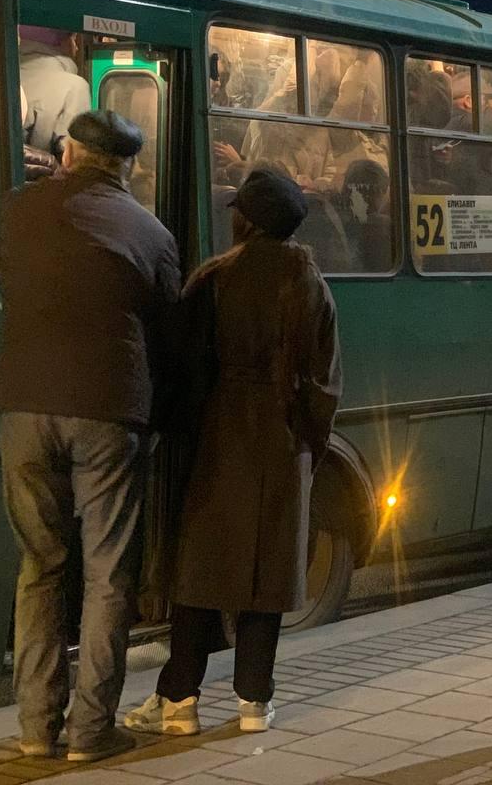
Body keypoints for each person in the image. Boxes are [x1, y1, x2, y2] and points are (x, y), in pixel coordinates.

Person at [0, 110, 181, 761]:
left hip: (23, 406)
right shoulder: (151, 233)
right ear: (127, 166)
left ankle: (35, 730)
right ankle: (91, 730)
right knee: (107, 574)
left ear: (68, 152)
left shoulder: (16, 211)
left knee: (40, 566)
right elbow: (167, 335)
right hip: (108, 410)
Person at [126, 169, 342, 738]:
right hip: (284, 436)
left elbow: (181, 368)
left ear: (246, 220)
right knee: (267, 570)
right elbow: (324, 384)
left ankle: (179, 700)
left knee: (201, 570)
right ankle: (254, 701)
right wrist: (307, 449)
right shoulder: (311, 283)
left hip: (220, 435)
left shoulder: (215, 278)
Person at [17, 26, 92, 155]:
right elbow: (73, 155)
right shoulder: (74, 87)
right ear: (62, 42)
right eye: (73, 39)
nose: (76, 47)